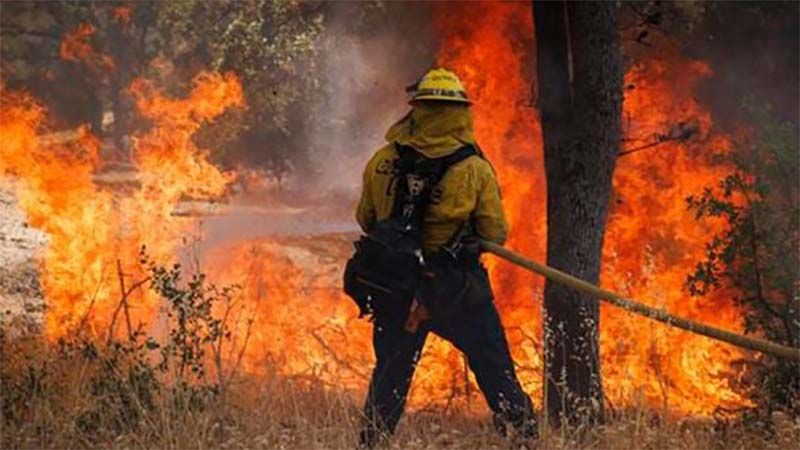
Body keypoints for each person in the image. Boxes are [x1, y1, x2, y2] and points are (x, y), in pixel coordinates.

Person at [352, 68, 538, 448]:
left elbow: (366, 219)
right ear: (460, 112)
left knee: (390, 375)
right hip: (454, 289)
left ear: (416, 110)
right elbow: (494, 233)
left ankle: (371, 442)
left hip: (394, 287)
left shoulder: (382, 160)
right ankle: (523, 437)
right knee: (493, 365)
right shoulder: (472, 169)